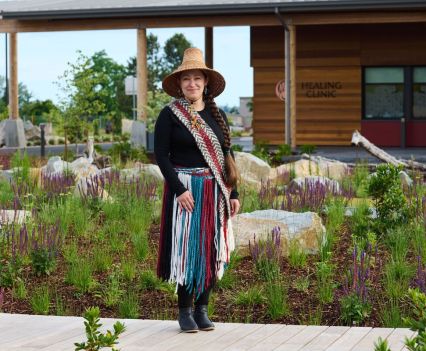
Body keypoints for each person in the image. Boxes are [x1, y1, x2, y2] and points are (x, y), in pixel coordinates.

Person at [154, 47, 240, 333]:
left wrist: (234, 193)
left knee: (212, 249)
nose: (191, 84)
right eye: (186, 79)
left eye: (197, 79)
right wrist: (178, 189)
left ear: (205, 83)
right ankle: (184, 311)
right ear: (179, 84)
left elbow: (227, 156)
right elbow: (161, 155)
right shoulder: (170, 115)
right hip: (186, 192)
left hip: (215, 190)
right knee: (187, 251)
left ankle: (203, 309)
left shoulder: (218, 117)